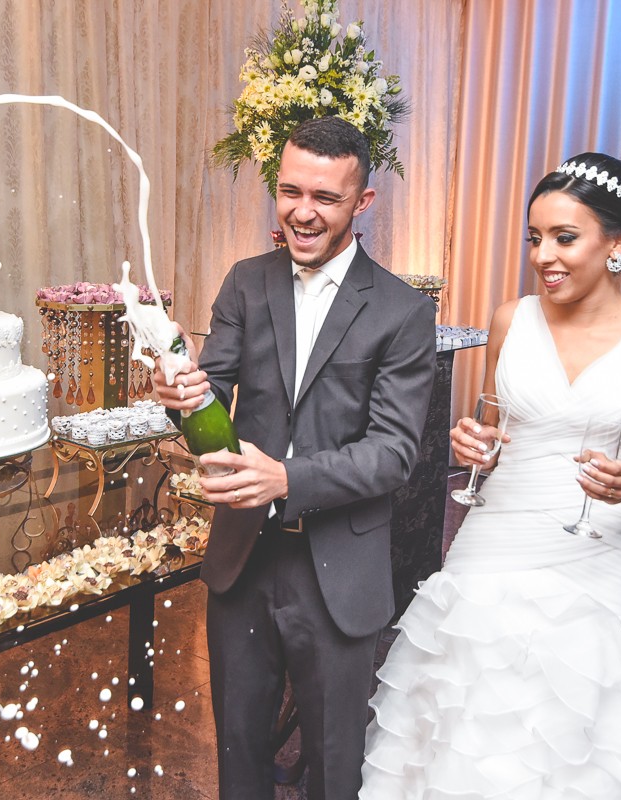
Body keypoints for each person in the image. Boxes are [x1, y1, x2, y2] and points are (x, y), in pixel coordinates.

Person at [360, 152, 621, 797]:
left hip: (600, 558)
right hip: (494, 541)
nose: (543, 256)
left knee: (587, 737)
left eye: (564, 237)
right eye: (534, 238)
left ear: (618, 241)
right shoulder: (511, 320)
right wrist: (475, 446)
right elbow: (495, 429)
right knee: (468, 721)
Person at [152, 116, 437, 800]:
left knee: (335, 768)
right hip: (243, 561)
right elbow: (209, 403)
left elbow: (395, 453)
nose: (302, 212)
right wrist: (182, 396)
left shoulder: (401, 312)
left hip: (337, 572)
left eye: (325, 198)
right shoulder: (246, 283)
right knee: (240, 753)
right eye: (289, 191)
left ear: (362, 203)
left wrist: (287, 479)